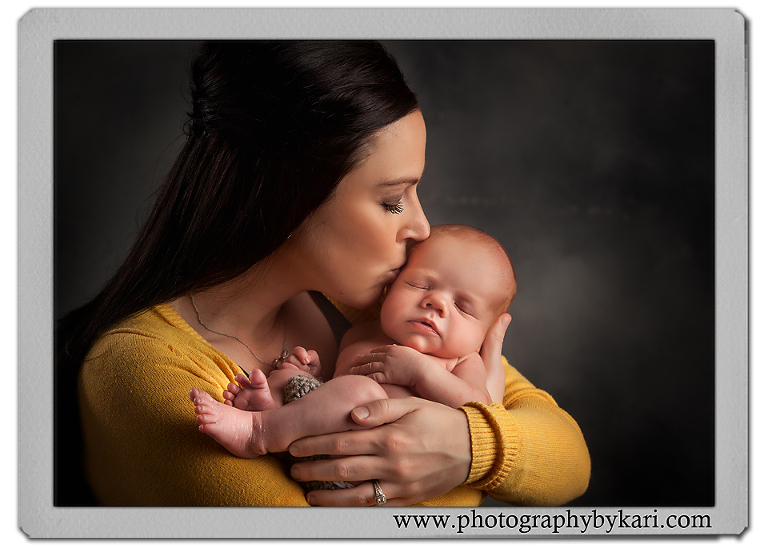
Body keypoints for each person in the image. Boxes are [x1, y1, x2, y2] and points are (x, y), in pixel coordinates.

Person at [57, 40, 590, 507]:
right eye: (391, 200)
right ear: (290, 199)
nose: (423, 229)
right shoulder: (143, 370)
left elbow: (570, 459)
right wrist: (472, 467)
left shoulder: (375, 304)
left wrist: (471, 446)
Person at [189, 225, 516, 462]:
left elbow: (479, 410)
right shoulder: (362, 331)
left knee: (362, 393)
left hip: (385, 460)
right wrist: (306, 374)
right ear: (392, 284)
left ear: (485, 333)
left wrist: (420, 373)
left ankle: (257, 432)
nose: (437, 303)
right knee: (289, 374)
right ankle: (270, 408)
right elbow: (334, 390)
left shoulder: (461, 361)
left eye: (462, 307)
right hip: (322, 444)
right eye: (419, 285)